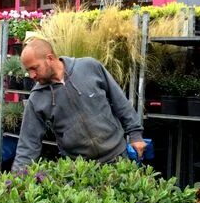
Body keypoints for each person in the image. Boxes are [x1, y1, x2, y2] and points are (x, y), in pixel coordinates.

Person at [12, 39, 147, 171]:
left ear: (50, 58)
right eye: (28, 70)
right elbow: (28, 144)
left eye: (34, 68)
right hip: (81, 169)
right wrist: (18, 179)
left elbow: (120, 101)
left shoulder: (89, 67)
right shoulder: (37, 98)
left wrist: (135, 135)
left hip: (118, 156)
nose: (31, 75)